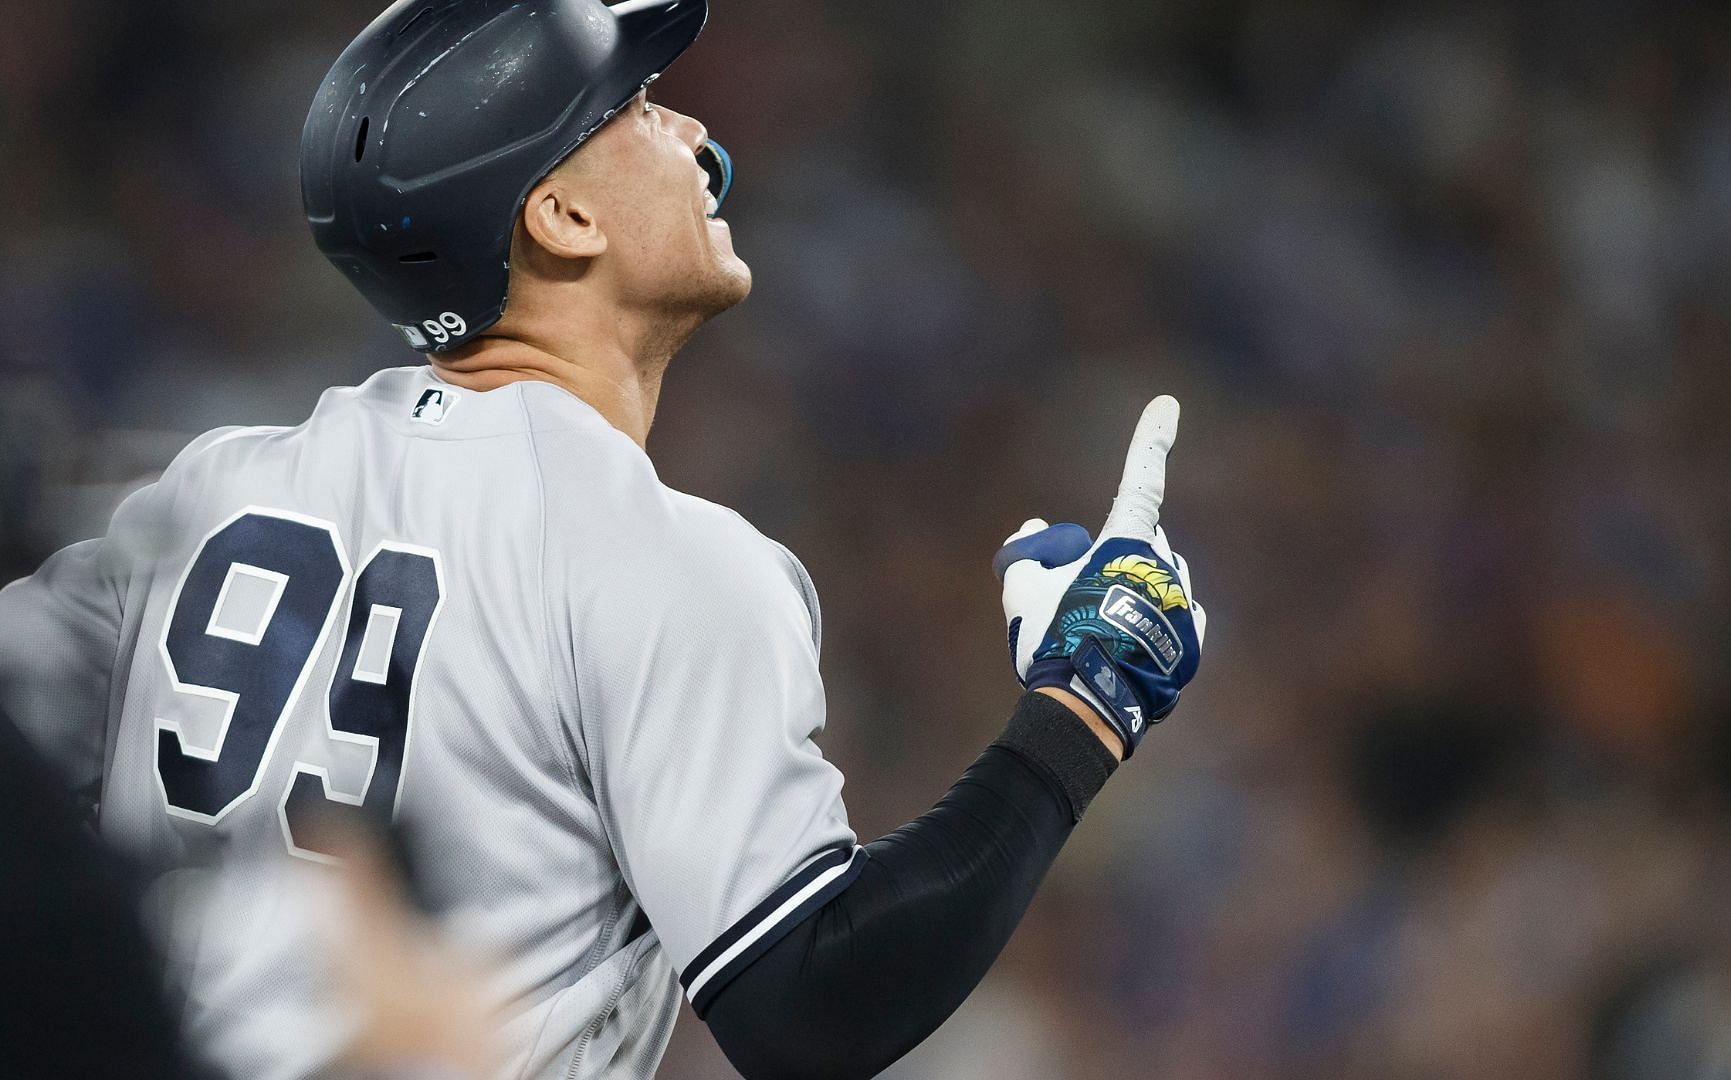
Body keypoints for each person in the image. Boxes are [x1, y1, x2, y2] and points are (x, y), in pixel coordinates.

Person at [0, 1, 1206, 1076]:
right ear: (561, 213)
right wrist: (1082, 708)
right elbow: (814, 1004)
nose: (693, 137)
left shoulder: (205, 491)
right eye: (636, 105)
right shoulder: (667, 558)